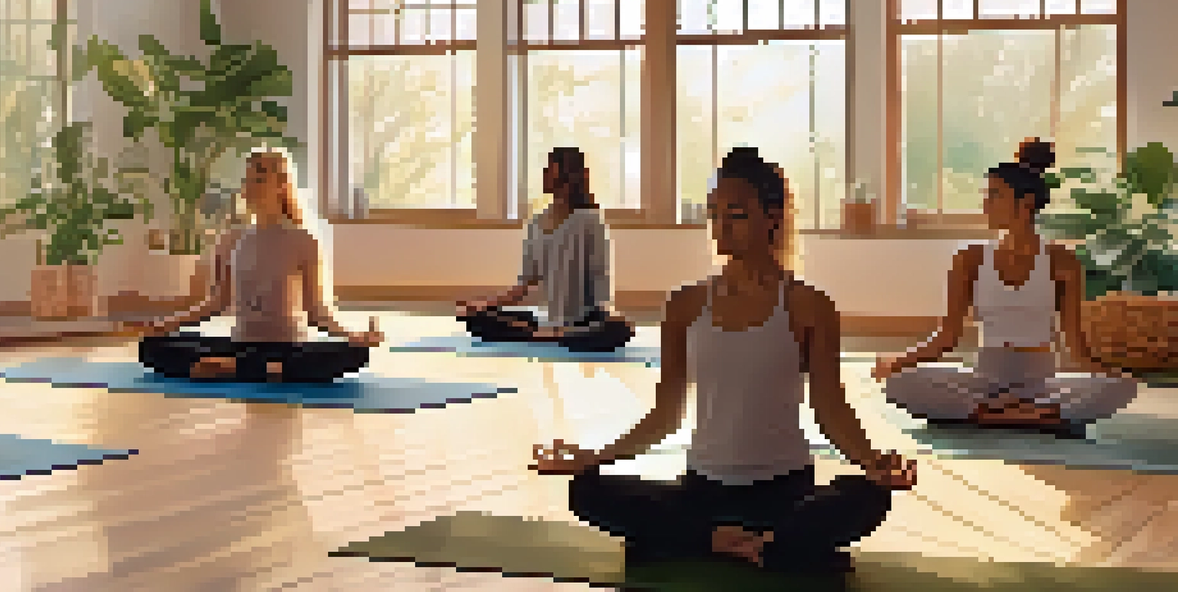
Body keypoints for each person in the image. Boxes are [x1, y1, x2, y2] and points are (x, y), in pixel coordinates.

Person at [531, 147, 916, 574]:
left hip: (785, 491)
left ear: (772, 216)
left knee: (868, 497)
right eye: (713, 214)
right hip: (703, 491)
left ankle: (716, 540)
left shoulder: (810, 305)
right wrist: (593, 458)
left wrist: (875, 464)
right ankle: (754, 545)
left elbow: (830, 408)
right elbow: (665, 415)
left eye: (735, 214)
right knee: (586, 492)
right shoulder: (685, 304)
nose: (720, 227)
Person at [875, 139, 1139, 434]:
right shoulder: (970, 259)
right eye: (986, 196)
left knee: (1122, 387)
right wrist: (897, 360)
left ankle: (990, 415)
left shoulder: (1062, 261)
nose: (985, 204)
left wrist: (1115, 377)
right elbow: (946, 337)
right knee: (901, 383)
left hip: (1042, 384)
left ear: (1025, 203)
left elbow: (1075, 347)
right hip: (986, 381)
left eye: (995, 195)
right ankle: (1035, 416)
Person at [135, 149, 384, 383]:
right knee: (151, 347)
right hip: (241, 344)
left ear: (282, 186)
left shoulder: (303, 240)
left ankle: (237, 367)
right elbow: (216, 302)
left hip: (288, 347)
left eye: (260, 179)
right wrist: (165, 324)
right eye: (248, 180)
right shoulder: (231, 238)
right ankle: (260, 368)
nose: (251, 186)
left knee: (355, 354)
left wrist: (354, 336)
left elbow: (317, 311)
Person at [454, 147, 634, 353]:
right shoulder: (537, 223)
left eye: (550, 168)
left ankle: (544, 334)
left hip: (586, 320)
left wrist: (604, 314)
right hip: (549, 320)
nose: (545, 174)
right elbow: (524, 286)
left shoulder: (590, 220)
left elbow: (600, 274)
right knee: (477, 321)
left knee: (620, 328)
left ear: (567, 174)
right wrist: (484, 305)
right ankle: (549, 334)